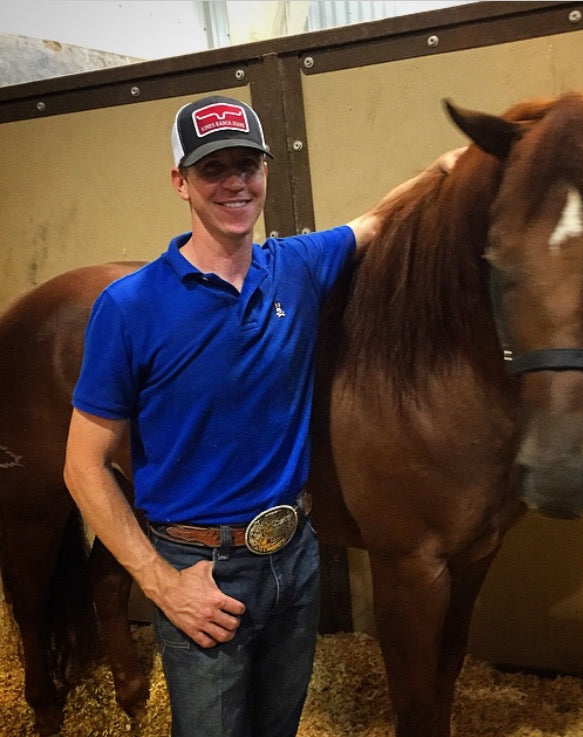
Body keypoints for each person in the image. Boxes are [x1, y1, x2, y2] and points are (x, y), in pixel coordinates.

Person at [63, 94, 462, 737]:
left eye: (247, 164)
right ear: (180, 182)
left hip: (295, 556)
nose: (235, 183)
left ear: (266, 174)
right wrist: (161, 585)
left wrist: (445, 169)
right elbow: (82, 467)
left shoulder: (296, 267)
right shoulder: (130, 306)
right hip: (201, 572)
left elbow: (376, 221)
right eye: (212, 167)